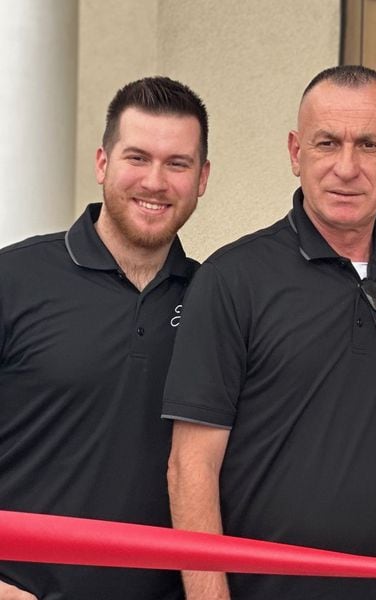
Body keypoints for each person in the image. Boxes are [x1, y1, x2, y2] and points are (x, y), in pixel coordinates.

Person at [162, 65, 376, 600]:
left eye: (369, 145)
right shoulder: (233, 279)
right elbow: (189, 466)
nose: (347, 167)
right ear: (296, 153)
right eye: (326, 143)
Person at [0, 76, 210, 600]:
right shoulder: (15, 279)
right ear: (102, 163)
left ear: (202, 178)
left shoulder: (216, 299)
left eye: (177, 164)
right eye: (137, 157)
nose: (155, 182)